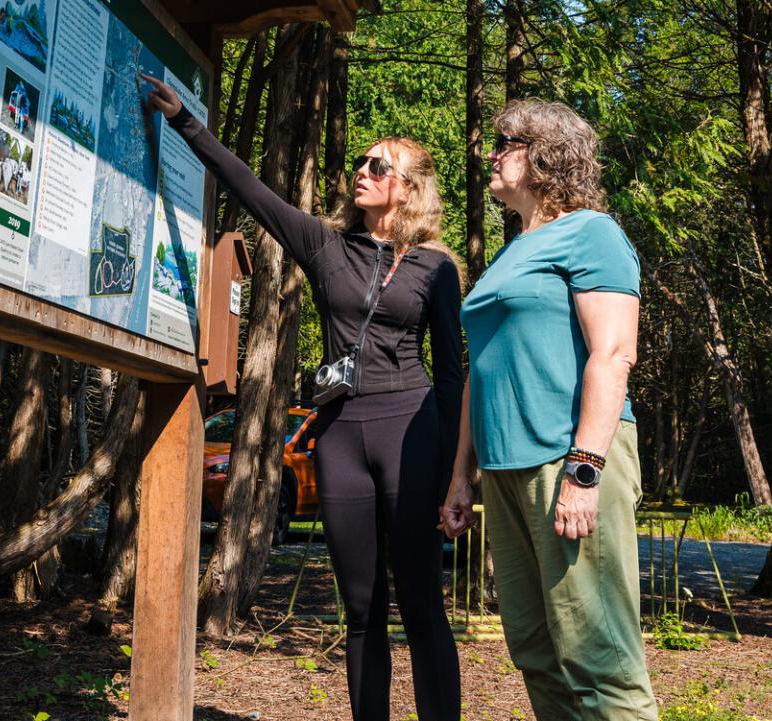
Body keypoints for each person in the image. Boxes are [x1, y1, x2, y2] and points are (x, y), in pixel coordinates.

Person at [139, 72, 463, 721]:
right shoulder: (325, 245)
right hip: (341, 435)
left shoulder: (437, 265)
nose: (362, 170)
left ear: (408, 188)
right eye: (362, 161)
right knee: (362, 607)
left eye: (379, 164)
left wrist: (459, 479)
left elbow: (455, 372)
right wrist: (184, 121)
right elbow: (251, 190)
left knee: (423, 605)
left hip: (413, 430)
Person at [440, 98, 655, 721]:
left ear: (544, 154)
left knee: (598, 655)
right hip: (505, 471)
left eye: (504, 142)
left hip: (569, 457)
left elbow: (613, 354)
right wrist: (462, 473)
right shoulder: (514, 250)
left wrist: (584, 471)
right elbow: (481, 372)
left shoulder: (592, 232)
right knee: (535, 649)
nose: (491, 154)